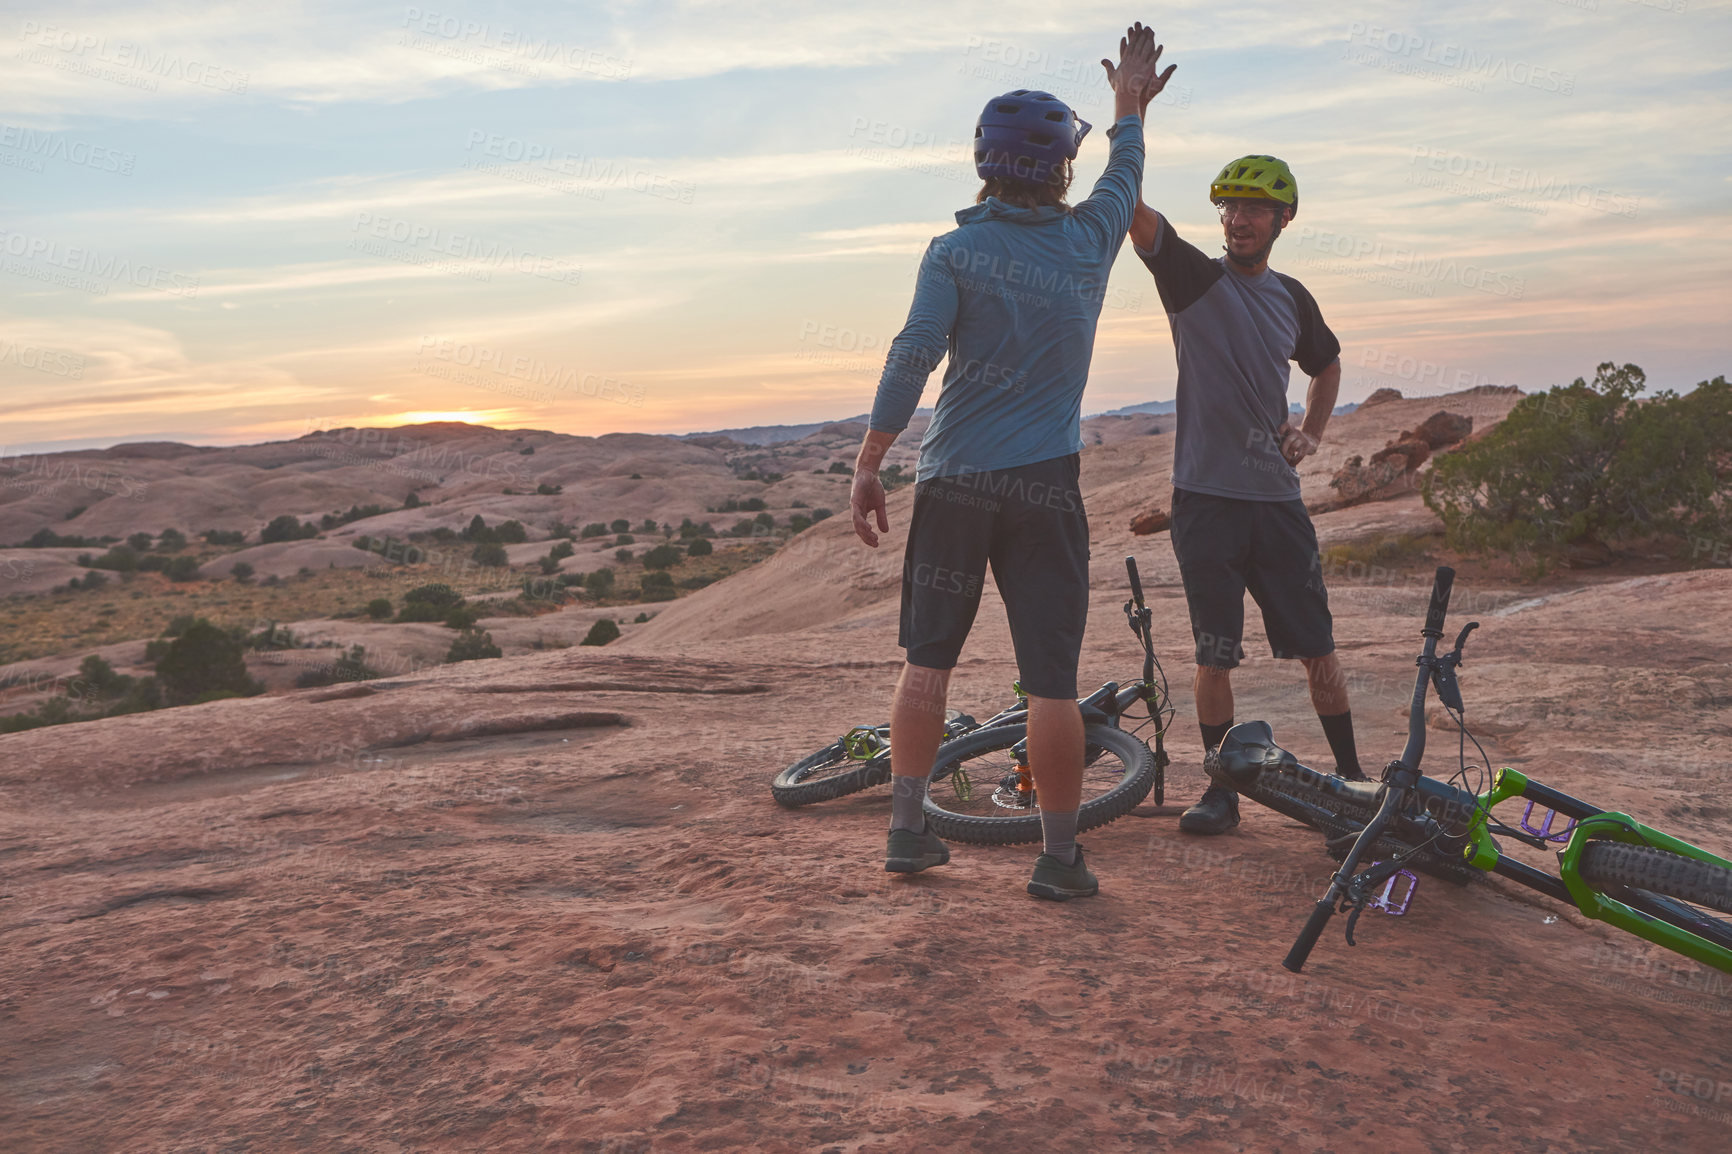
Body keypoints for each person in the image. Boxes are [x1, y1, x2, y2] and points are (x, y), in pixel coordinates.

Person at [850, 24, 1176, 899]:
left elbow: (912, 354)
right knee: (1052, 681)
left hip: (955, 481)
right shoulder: (1089, 239)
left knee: (928, 661)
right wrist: (1129, 106)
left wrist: (871, 460)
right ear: (1061, 169)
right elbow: (1126, 176)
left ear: (981, 164)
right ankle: (1060, 857)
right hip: (1045, 486)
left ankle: (908, 833)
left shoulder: (952, 253)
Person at [1127, 154, 1365, 836]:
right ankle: (1221, 792)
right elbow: (1133, 210)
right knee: (1213, 654)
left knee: (1318, 646)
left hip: (1275, 503)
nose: (1239, 219)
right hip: (1204, 501)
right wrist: (1130, 113)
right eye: (1230, 207)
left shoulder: (1293, 297)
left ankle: (1351, 785)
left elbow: (1326, 364)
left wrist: (1313, 436)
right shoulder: (1194, 280)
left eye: (1255, 208)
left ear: (1284, 219)